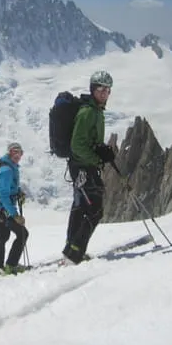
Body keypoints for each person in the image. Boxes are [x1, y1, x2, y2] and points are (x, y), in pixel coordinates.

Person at [62, 70, 115, 264]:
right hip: (83, 167)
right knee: (95, 210)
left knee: (81, 207)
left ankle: (71, 249)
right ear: (93, 90)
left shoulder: (96, 112)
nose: (104, 93)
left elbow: (88, 141)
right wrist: (97, 159)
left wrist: (101, 150)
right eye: (100, 89)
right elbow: (77, 145)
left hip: (84, 166)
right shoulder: (88, 112)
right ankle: (74, 253)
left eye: (107, 90)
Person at [0, 142, 29, 278]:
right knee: (23, 233)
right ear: (9, 153)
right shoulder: (6, 170)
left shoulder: (9, 167)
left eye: (20, 152)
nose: (18, 155)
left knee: (2, 236)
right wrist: (15, 215)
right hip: (4, 208)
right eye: (15, 152)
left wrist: (18, 192)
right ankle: (11, 266)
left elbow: (8, 188)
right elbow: (3, 195)